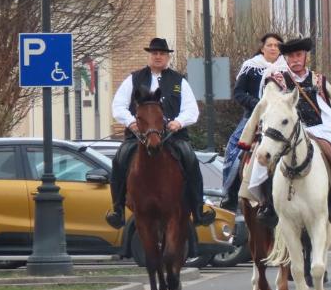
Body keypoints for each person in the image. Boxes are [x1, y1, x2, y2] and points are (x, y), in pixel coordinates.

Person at [248, 37, 331, 226]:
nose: (295, 60)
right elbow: (268, 104)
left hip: (318, 128)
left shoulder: (318, 80)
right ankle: (267, 203)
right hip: (286, 131)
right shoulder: (276, 80)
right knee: (262, 157)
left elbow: (330, 106)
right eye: (291, 56)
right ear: (286, 58)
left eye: (299, 55)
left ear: (305, 57)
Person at [106, 37, 216, 230]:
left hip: (172, 137)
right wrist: (131, 122)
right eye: (155, 53)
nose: (158, 57)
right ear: (149, 56)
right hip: (139, 136)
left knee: (190, 160)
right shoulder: (134, 79)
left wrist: (178, 122)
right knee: (120, 159)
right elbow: (118, 105)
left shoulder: (179, 81)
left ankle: (198, 209)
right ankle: (117, 210)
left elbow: (192, 110)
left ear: (167, 57)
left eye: (162, 54)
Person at [220, 33, 288, 210]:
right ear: (262, 48)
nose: (273, 48)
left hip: (281, 118)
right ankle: (230, 192)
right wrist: (257, 104)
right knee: (233, 149)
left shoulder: (287, 69)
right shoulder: (250, 67)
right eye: (270, 45)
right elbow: (239, 93)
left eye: (277, 45)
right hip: (254, 116)